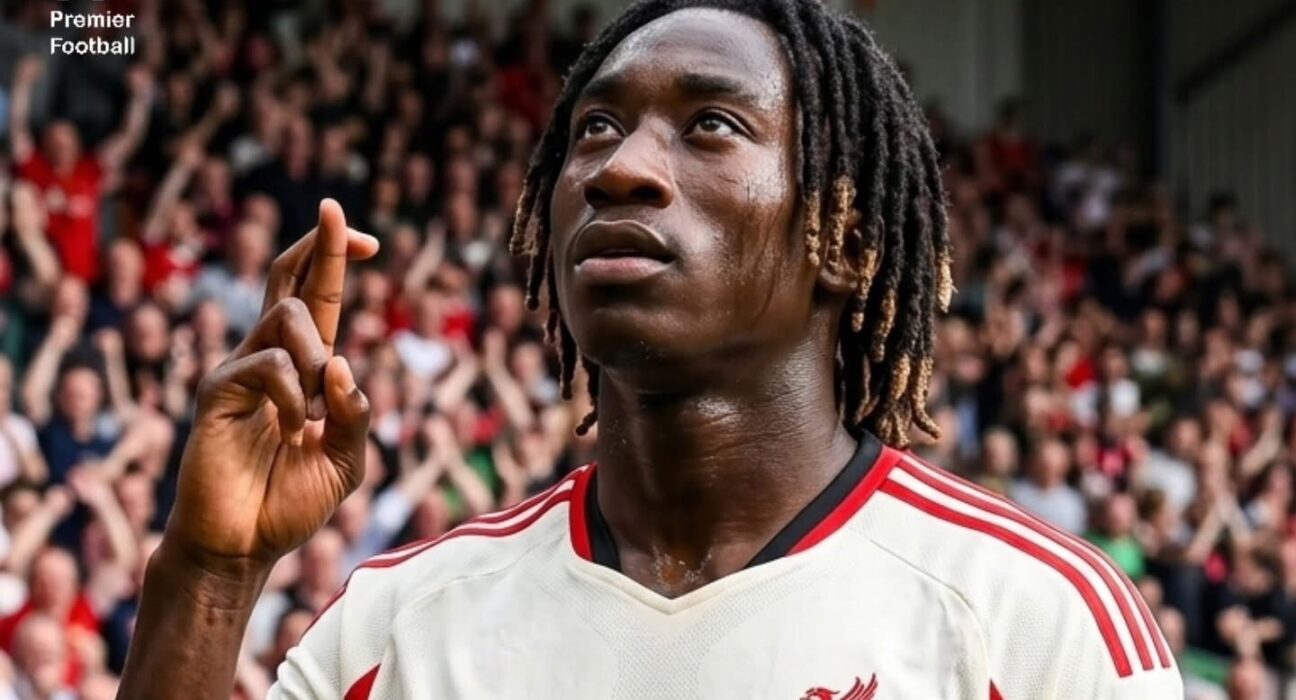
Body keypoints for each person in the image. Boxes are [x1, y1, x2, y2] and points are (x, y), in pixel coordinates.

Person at [118, 1, 1181, 698]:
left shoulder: (1034, 624)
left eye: (711, 125)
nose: (619, 168)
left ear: (848, 241)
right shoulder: (399, 625)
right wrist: (208, 574)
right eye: (594, 128)